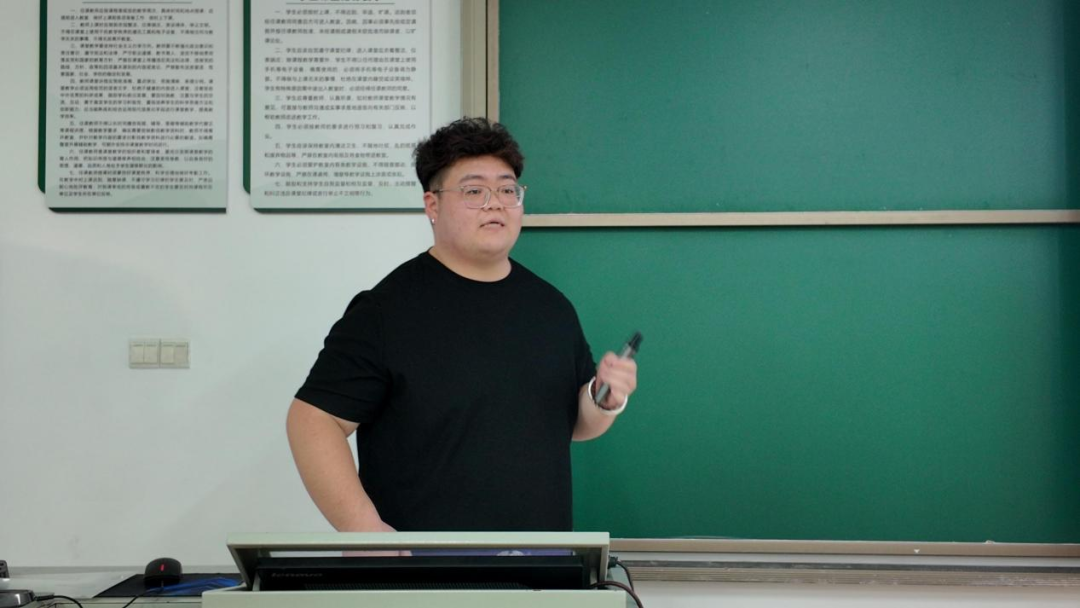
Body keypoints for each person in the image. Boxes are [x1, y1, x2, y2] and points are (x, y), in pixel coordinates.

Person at [286, 117, 638, 533]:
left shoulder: (551, 307)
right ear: (432, 205)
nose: (496, 203)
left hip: (540, 560)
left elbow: (575, 424)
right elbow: (313, 420)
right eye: (474, 191)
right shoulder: (385, 310)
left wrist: (603, 398)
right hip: (422, 565)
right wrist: (363, 529)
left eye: (507, 190)